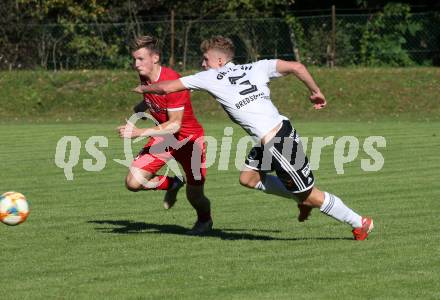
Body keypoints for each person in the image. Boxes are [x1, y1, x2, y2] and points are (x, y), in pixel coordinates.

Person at [132, 36, 374, 240]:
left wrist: (143, 89)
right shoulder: (257, 67)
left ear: (219, 60)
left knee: (311, 194)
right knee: (248, 178)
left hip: (278, 141)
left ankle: (359, 221)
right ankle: (299, 196)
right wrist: (315, 92)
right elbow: (297, 67)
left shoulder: (208, 77)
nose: (202, 64)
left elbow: (165, 87)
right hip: (271, 137)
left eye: (205, 60)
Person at [117, 35, 212, 235]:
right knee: (133, 182)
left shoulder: (172, 82)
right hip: (165, 138)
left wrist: (139, 132)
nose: (136, 64)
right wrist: (139, 110)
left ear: (155, 58)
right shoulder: (146, 75)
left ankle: (205, 221)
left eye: (140, 59)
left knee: (195, 196)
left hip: (189, 141)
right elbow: (151, 99)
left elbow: (175, 124)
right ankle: (173, 183)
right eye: (134, 59)